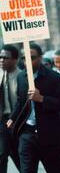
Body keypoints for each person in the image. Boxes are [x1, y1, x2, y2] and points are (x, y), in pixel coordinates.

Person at [8, 43, 60, 173]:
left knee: (55, 169)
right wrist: (12, 118)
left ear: (40, 58)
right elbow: (20, 102)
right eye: (24, 58)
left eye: (32, 57)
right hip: (27, 134)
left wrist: (42, 99)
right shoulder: (21, 77)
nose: (27, 61)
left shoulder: (54, 77)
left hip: (49, 135)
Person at [0, 44, 21, 173]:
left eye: (5, 57)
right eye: (0, 57)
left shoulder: (23, 77)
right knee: (1, 155)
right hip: (3, 122)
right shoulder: (0, 75)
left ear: (15, 59)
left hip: (19, 122)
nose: (1, 60)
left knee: (20, 157)